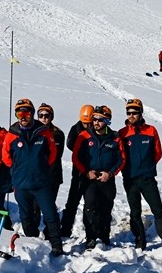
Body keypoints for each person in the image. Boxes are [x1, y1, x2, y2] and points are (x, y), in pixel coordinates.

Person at [118, 98, 162, 251]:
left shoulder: (151, 130)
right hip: (130, 179)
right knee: (135, 212)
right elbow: (119, 155)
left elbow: (157, 152)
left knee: (158, 210)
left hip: (147, 179)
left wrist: (148, 166)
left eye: (135, 112)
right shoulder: (122, 133)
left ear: (140, 113)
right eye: (129, 112)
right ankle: (140, 241)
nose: (131, 115)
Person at [8, 99, 65, 256]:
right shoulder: (11, 134)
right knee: (26, 217)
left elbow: (53, 155)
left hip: (41, 184)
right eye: (20, 112)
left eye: (27, 112)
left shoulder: (45, 133)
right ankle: (33, 243)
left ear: (32, 114)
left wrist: (40, 168)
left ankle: (57, 246)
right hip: (21, 185)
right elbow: (6, 157)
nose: (23, 116)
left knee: (50, 215)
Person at [72, 105, 124, 249]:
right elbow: (75, 157)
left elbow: (121, 159)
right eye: (94, 119)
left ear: (107, 121)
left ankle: (104, 236)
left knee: (105, 209)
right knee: (89, 207)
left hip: (107, 179)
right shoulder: (84, 136)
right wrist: (86, 172)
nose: (96, 122)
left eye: (100, 120)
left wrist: (111, 173)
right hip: (90, 179)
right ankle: (91, 237)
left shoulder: (115, 137)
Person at [60, 105, 93, 237]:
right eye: (84, 123)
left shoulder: (95, 128)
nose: (86, 125)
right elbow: (69, 144)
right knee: (72, 203)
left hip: (92, 172)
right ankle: (65, 230)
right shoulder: (76, 129)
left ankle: (91, 232)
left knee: (90, 204)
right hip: (78, 172)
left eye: (88, 123)